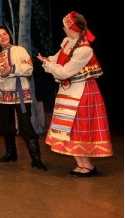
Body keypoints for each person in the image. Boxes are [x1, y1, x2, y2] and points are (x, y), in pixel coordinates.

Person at [37, 11, 113, 177]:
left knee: (79, 129)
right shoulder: (68, 42)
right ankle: (81, 164)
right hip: (68, 91)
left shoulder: (84, 50)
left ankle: (88, 166)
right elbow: (57, 59)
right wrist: (46, 60)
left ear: (72, 28)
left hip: (82, 93)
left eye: (65, 26)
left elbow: (65, 72)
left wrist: (49, 66)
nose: (63, 29)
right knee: (68, 129)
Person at [0, 26, 46, 170]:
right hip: (3, 96)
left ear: (8, 35)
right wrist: (2, 74)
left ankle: (36, 159)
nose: (3, 37)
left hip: (21, 95)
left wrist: (12, 69)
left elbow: (29, 68)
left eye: (4, 34)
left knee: (26, 125)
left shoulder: (19, 50)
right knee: (5, 125)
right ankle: (11, 153)